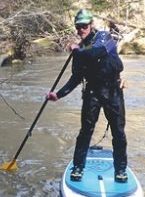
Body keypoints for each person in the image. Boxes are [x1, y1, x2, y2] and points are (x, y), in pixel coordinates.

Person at [46, 10, 128, 183]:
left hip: (113, 90)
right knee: (85, 131)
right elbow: (76, 78)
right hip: (92, 92)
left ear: (91, 25)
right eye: (78, 27)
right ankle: (78, 167)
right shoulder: (80, 50)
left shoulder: (104, 37)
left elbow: (96, 53)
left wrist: (77, 51)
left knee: (118, 132)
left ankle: (120, 170)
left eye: (84, 26)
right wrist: (58, 95)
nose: (81, 30)